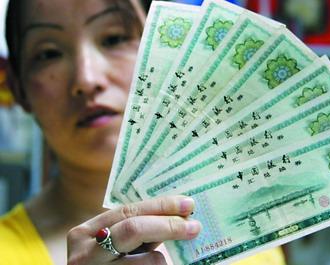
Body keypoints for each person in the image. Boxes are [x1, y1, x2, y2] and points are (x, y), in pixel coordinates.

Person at [0, 0, 286, 264]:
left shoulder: (252, 242)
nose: (87, 79)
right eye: (48, 53)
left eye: (114, 38)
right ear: (17, 88)